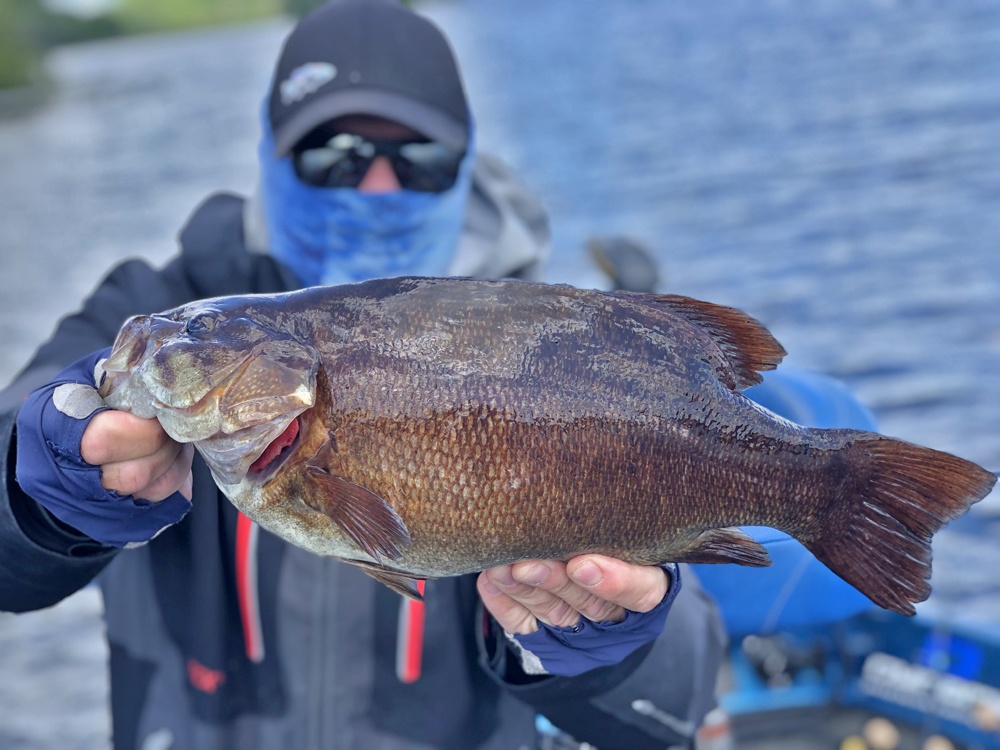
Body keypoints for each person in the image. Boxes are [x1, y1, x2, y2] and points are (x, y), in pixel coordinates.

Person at [0, 2, 730, 749]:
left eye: (419, 159)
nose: (378, 187)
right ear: (272, 157)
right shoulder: (158, 315)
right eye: (334, 155)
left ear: (468, 165)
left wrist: (608, 647)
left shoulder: (555, 354)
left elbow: (672, 711)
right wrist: (37, 491)